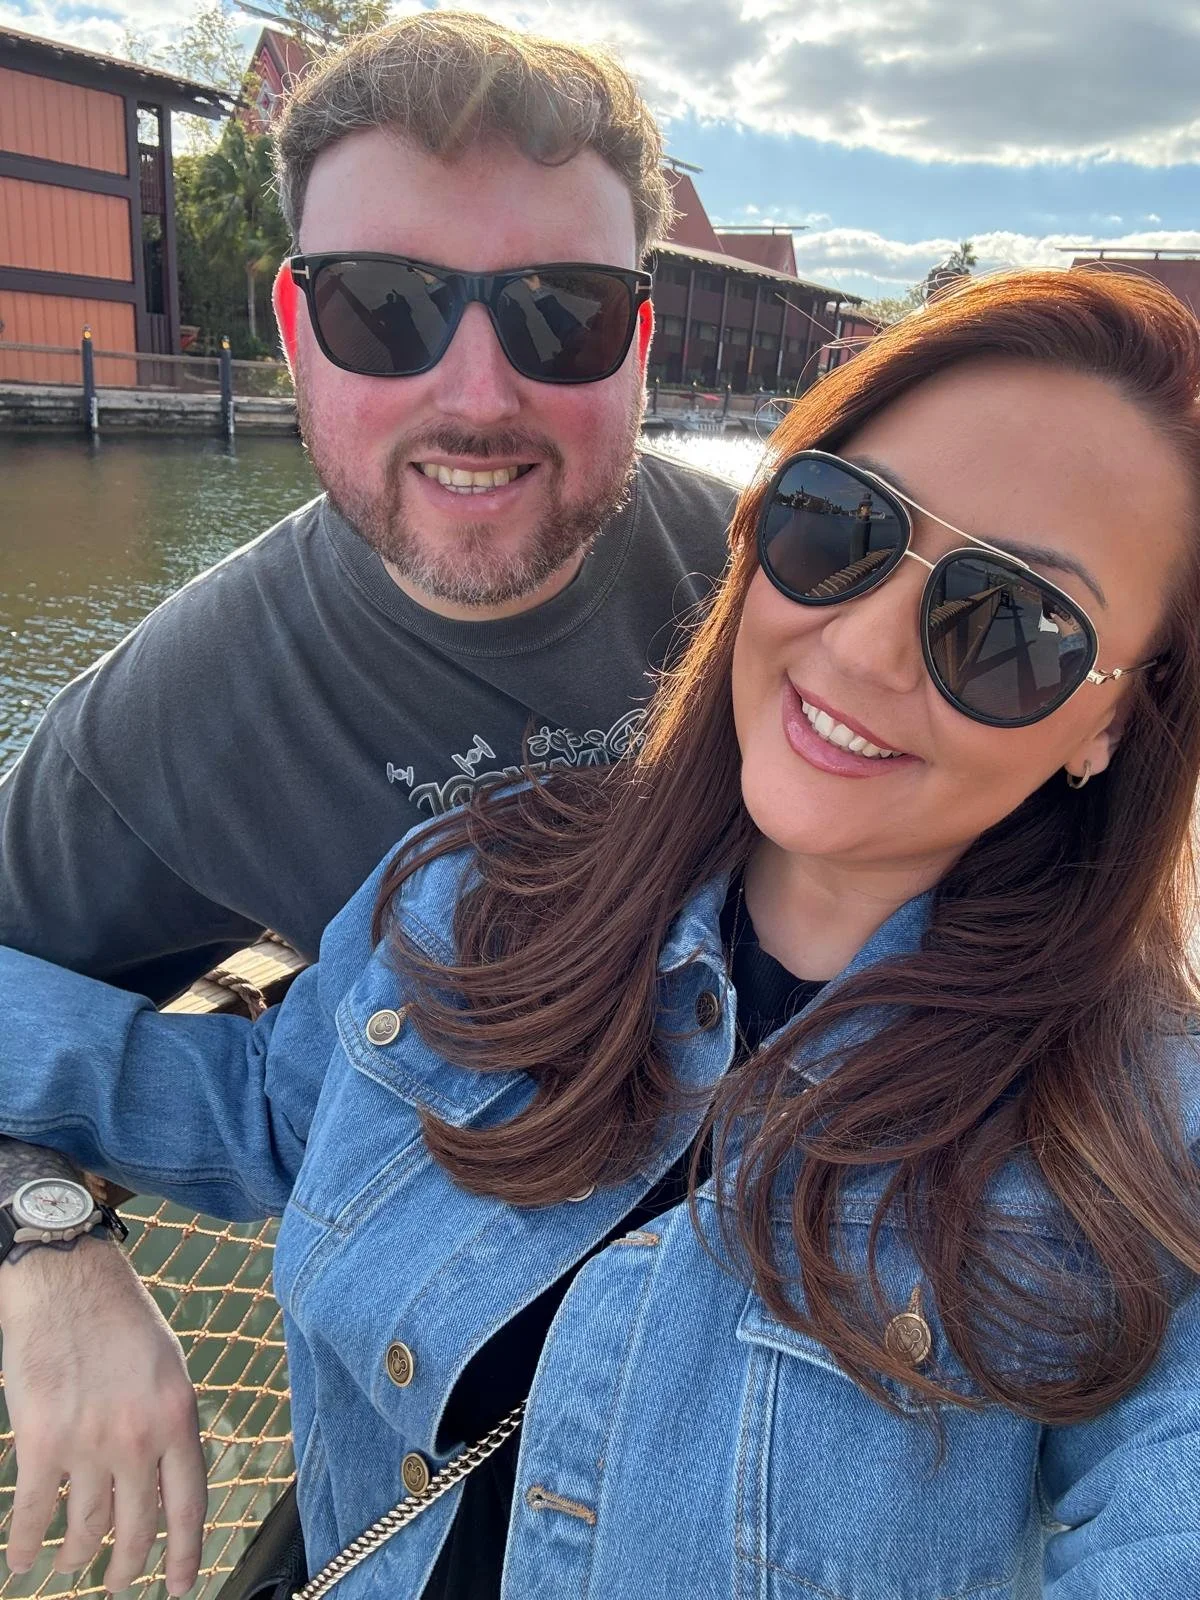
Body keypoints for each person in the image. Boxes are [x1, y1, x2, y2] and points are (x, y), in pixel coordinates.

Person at [4, 267, 1200, 1596]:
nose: (862, 650)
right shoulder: (479, 886)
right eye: (841, 525)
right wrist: (42, 1231)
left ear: (1112, 717)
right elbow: (241, 1107)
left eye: (1012, 627)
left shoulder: (1143, 1139)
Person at [0, 14, 738, 1594]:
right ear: (293, 324)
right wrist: (46, 1239)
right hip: (413, 1478)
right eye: (386, 306)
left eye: (563, 312)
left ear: (642, 336)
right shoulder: (176, 721)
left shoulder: (788, 602)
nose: (478, 393)